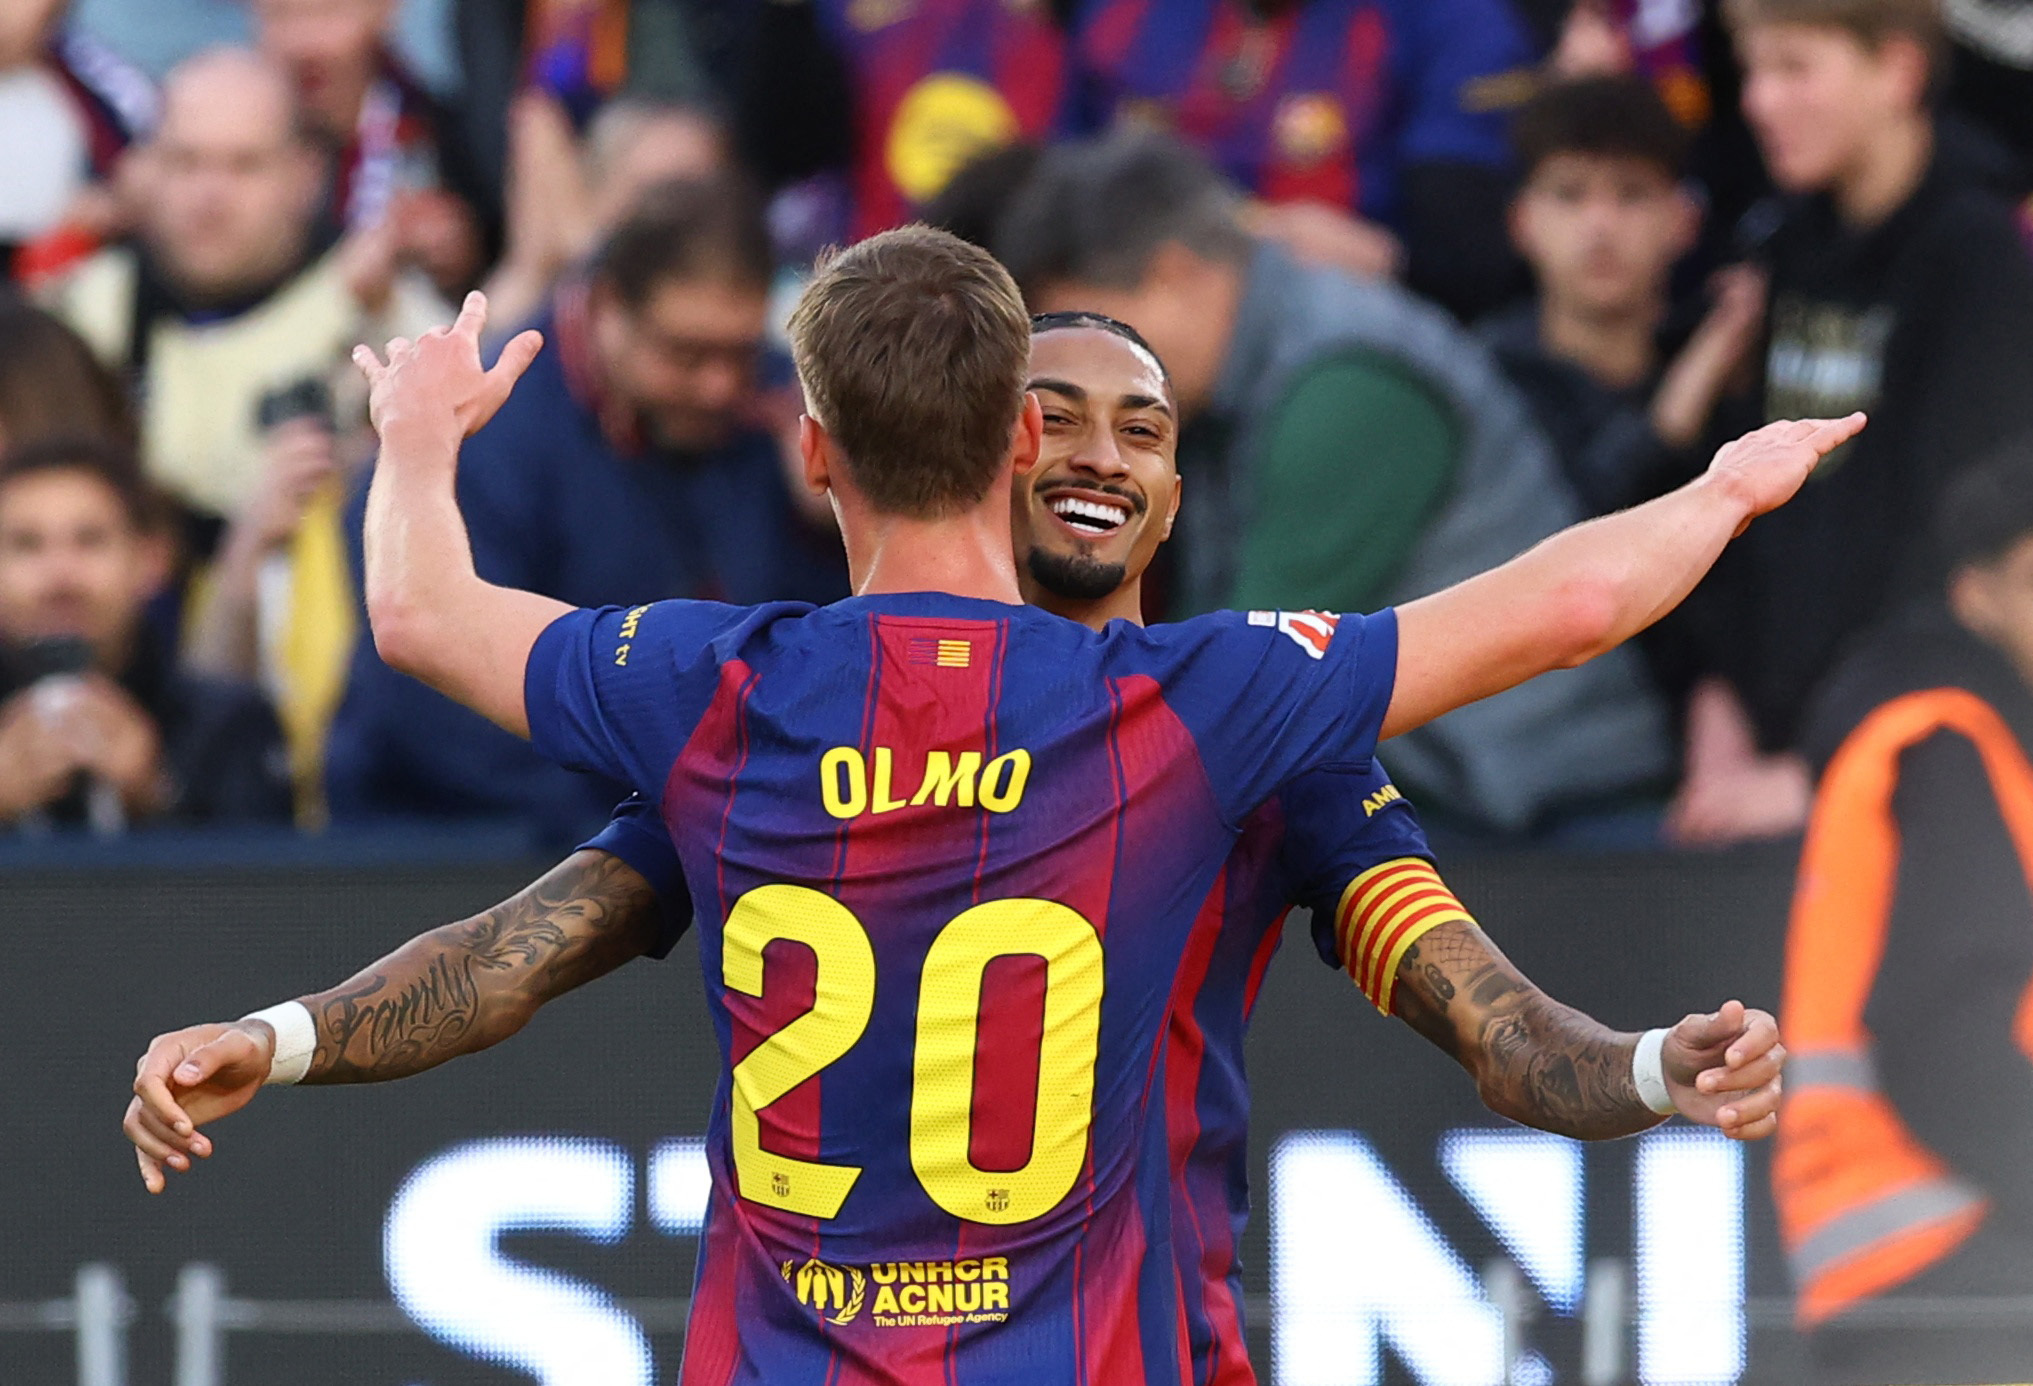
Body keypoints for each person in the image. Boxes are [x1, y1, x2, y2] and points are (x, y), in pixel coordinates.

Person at [124, 289, 1817, 1378]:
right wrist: (1725, 492)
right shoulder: (1217, 705)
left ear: (1174, 492)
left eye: (1141, 427)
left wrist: (1644, 1067)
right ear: (998, 450)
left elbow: (1500, 1029)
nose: (1098, 452)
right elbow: (519, 947)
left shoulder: (756, 711)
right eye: (1057, 413)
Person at [999, 129, 1672, 838]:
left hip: (1546, 819)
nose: (1082, 377)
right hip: (1448, 791)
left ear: (1174, 273)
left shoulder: (1347, 381)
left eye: (1095, 334)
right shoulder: (1228, 381)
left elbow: (1247, 678)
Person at [324, 177, 847, 841]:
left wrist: (837, 521)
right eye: (686, 353)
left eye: (738, 353)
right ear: (605, 307)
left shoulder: (778, 409)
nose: (718, 385)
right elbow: (437, 702)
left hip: (701, 827)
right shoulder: (491, 431)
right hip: (456, 838)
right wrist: (649, 841)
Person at [47, 46, 447, 819]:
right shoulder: (82, 316)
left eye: (242, 165)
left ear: (306, 175)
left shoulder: (389, 318)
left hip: (341, 752)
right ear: (145, 169)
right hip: (116, 732)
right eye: (185, 161)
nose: (209, 195)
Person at [1669, 0, 2033, 846]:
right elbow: (1743, 501)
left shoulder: (1976, 257)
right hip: (1759, 755)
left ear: (1897, 71)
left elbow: (1962, 558)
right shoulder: (1783, 242)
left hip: (1906, 766)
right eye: (1752, 71)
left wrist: (1822, 762)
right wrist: (1715, 702)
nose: (1758, 100)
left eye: (1794, 68)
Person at [1775, 445, 2033, 1384]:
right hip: (1956, 1254)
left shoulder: (1941, 733)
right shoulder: (1948, 740)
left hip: (1919, 1264)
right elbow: (1942, 1029)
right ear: (1975, 595)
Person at [1070, 0, 1541, 320]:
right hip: (1127, 295)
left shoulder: (1450, 21)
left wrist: (1394, 260)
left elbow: (1471, 259)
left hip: (1345, 316)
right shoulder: (1118, 14)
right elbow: (1056, 196)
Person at [1482, 75, 1762, 520]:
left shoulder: (1733, 365)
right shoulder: (1484, 380)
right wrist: (1676, 412)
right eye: (1569, 194)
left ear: (1685, 221)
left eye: (1632, 194)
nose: (1600, 225)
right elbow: (1561, 529)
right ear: (1521, 223)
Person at [0, 439, 289, 829]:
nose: (60, 576)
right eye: (27, 545)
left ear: (151, 559)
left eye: (90, 541)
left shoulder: (231, 726)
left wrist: (158, 794)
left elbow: (270, 861)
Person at [251, 0, 491, 298]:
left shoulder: (447, 141)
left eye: (328, 12)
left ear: (385, 10)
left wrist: (458, 260)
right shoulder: (223, 137)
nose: (305, 44)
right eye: (280, 15)